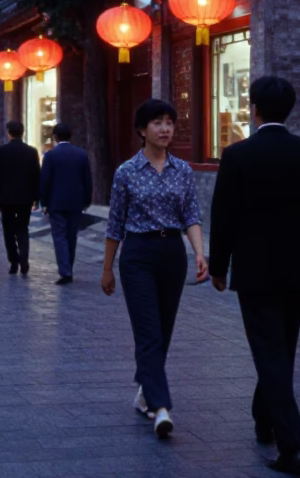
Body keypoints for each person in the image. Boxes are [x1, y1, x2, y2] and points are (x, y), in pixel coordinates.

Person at [209, 76, 300, 475]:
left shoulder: (236, 156)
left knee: (270, 352)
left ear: (254, 109)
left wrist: (219, 266)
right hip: (299, 270)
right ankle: (263, 416)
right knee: (280, 348)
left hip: (254, 272)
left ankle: (293, 446)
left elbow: (224, 215)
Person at [102, 99, 208, 439]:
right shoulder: (126, 172)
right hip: (138, 254)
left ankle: (146, 391)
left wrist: (199, 253)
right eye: (157, 123)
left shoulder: (183, 170)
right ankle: (161, 407)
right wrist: (107, 269)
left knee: (163, 329)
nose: (165, 129)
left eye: (169, 123)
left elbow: (191, 215)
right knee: (147, 331)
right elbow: (114, 224)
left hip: (171, 253)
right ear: (141, 130)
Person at [38, 123, 92, 285]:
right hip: (75, 202)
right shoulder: (81, 155)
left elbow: (45, 181)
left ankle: (65, 271)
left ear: (55, 137)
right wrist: (86, 201)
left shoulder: (51, 155)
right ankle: (69, 267)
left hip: (56, 202)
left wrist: (44, 202)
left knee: (59, 236)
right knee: (71, 236)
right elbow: (87, 180)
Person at [0, 120, 40, 275]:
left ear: (8, 132)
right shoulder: (31, 151)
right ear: (22, 132)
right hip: (25, 197)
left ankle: (14, 261)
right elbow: (36, 176)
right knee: (23, 229)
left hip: (6, 198)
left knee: (8, 230)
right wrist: (36, 198)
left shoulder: (2, 151)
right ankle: (24, 258)